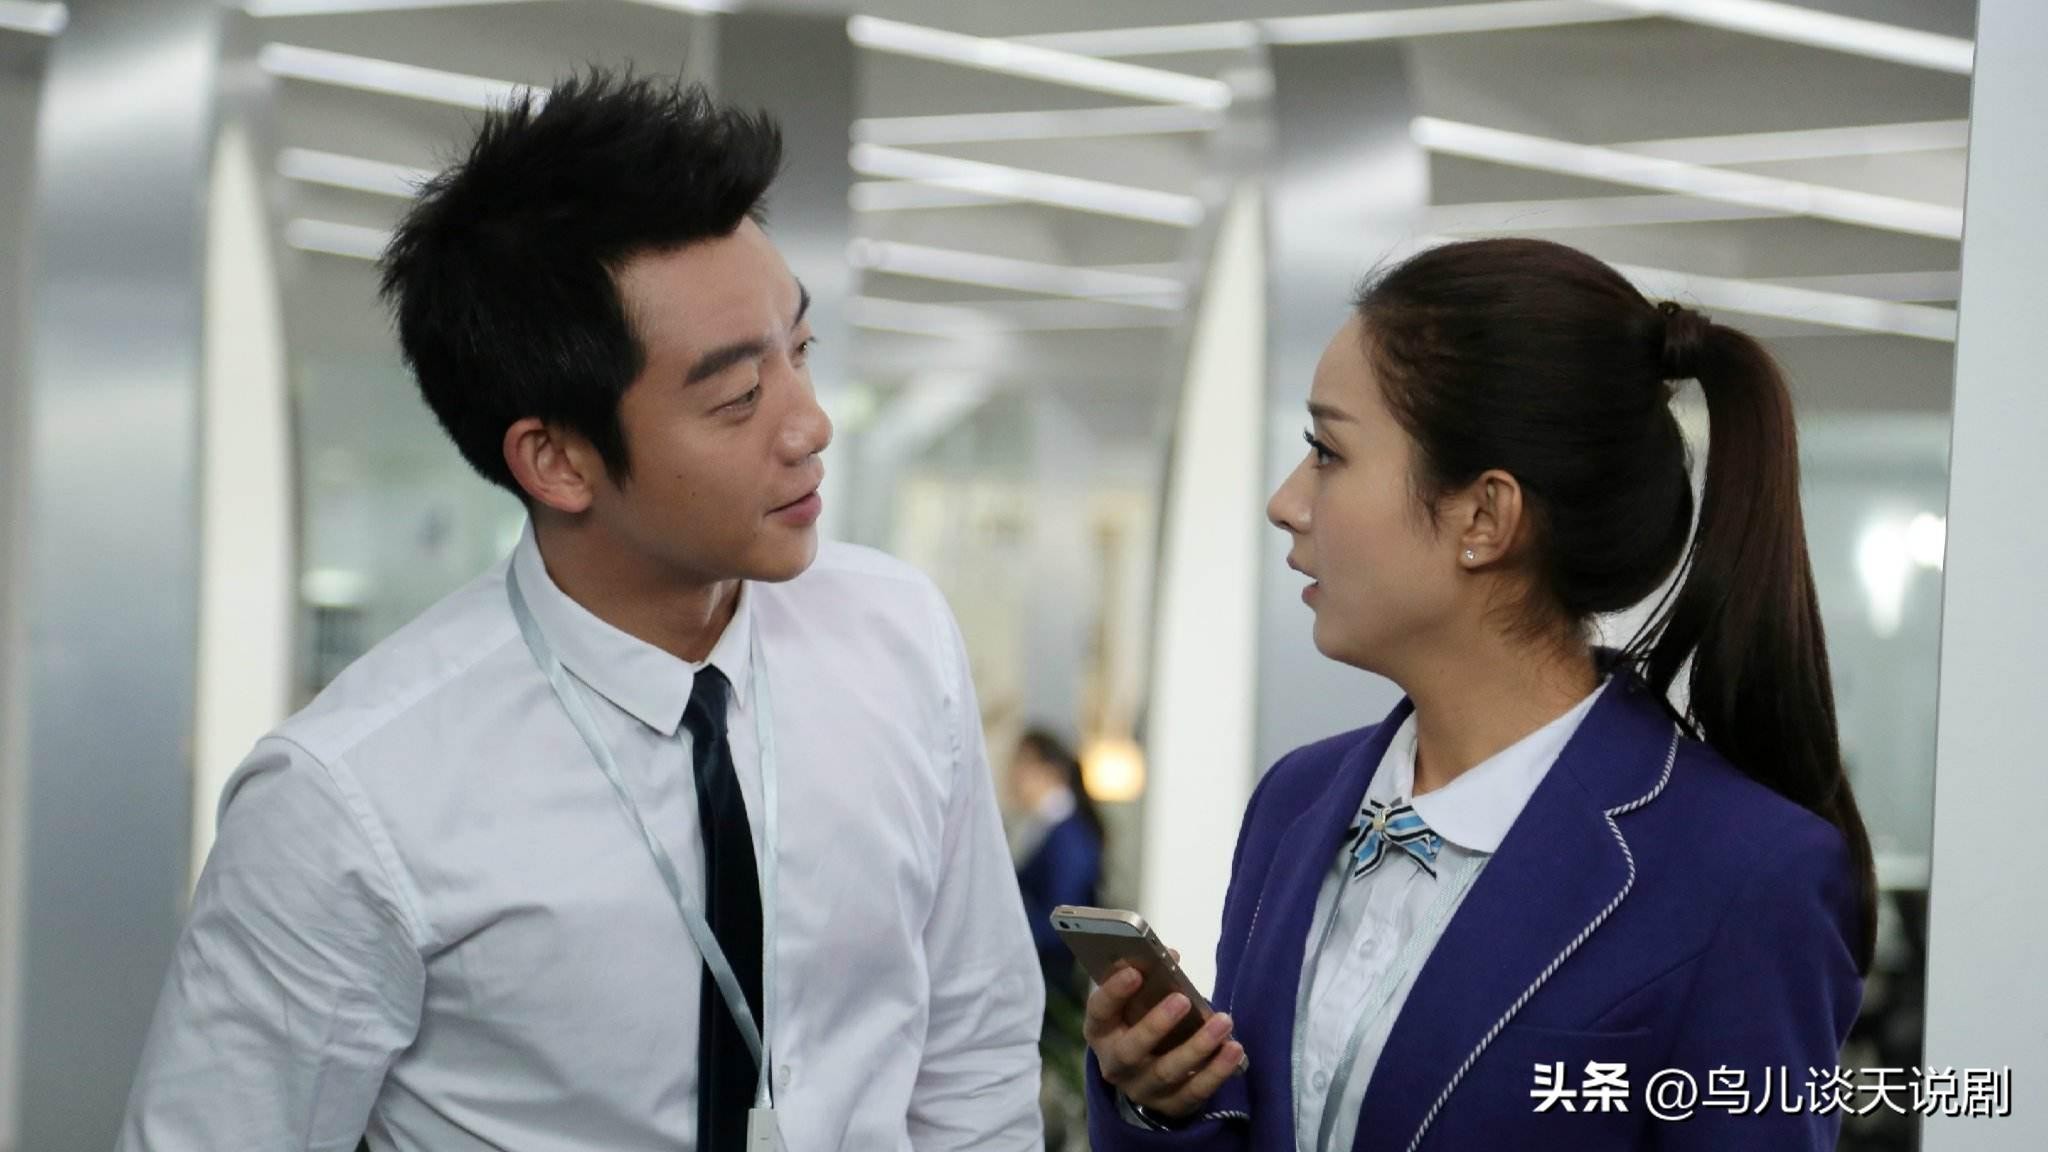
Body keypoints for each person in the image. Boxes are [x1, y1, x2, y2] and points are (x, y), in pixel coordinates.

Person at [119, 72, 1043, 1152]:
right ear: (556, 461)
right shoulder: (348, 798)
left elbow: (972, 1052)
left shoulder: (897, 639)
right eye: (738, 398)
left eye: (799, 352)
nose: (808, 425)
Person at [1083, 237, 1872, 1151]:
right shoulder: (1296, 804)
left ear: (1485, 516)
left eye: (1327, 452)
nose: (1286, 502)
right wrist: (1161, 1102)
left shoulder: (1744, 875)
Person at [1007, 728, 1108, 984]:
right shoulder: (1042, 828)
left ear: (1052, 770)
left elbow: (1064, 917)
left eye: (1023, 763)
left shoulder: (1068, 837)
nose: (1014, 775)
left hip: (1053, 980)